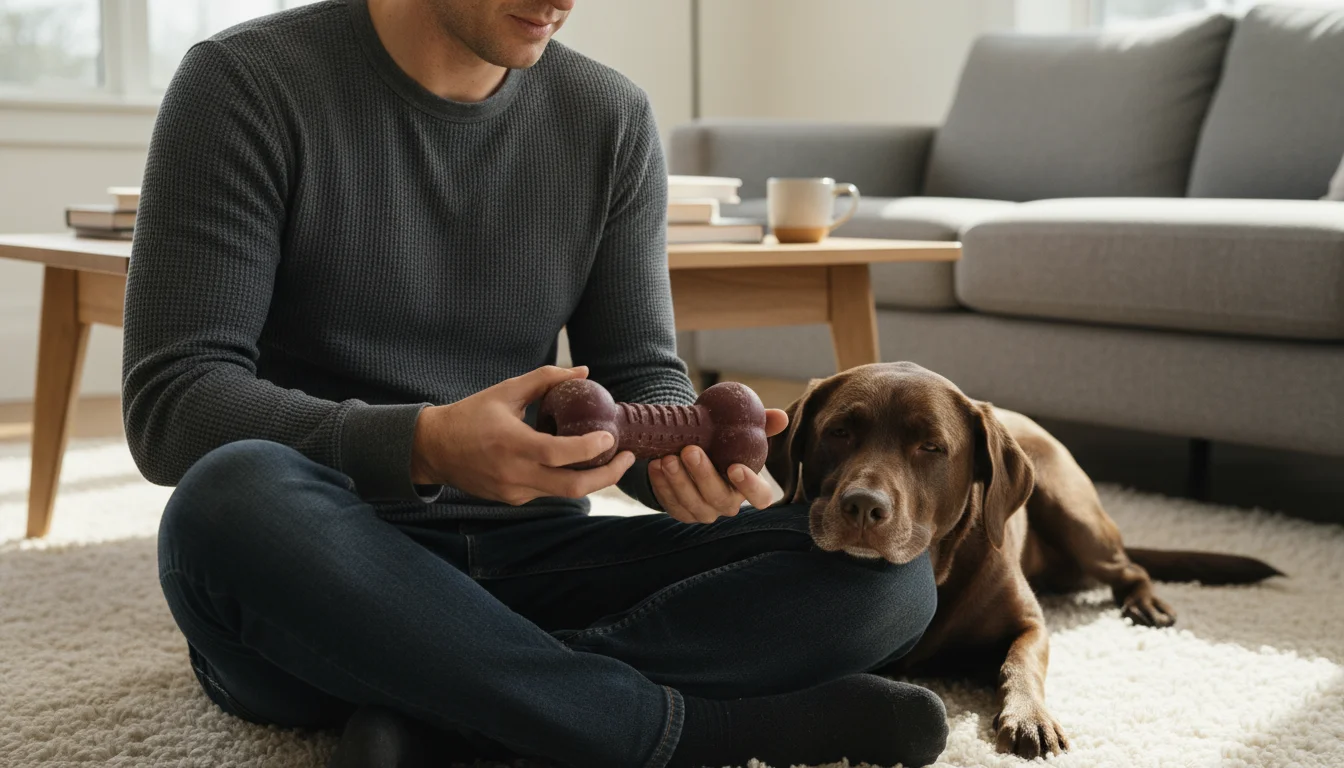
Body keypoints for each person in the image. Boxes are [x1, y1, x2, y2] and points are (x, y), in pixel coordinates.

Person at [123, 0, 947, 766]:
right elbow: (174, 402)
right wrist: (428, 444)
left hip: (539, 566)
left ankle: (458, 714)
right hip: (328, 574)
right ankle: (696, 730)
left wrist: (682, 463)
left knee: (889, 577)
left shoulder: (608, 115)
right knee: (228, 498)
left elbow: (638, 371)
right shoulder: (244, 85)